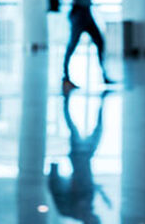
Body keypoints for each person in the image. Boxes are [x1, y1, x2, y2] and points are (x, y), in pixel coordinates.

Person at [48, 89, 111, 223]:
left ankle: (66, 96)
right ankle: (100, 98)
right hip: (85, 157)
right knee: (95, 127)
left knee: (75, 125)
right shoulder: (86, 203)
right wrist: (105, 197)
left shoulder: (68, 209)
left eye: (94, 219)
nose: (95, 216)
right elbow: (89, 183)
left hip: (79, 157)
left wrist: (54, 169)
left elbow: (56, 189)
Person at [61, 0, 113, 90]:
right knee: (73, 44)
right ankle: (66, 78)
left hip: (86, 12)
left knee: (99, 42)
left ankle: (104, 75)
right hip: (79, 12)